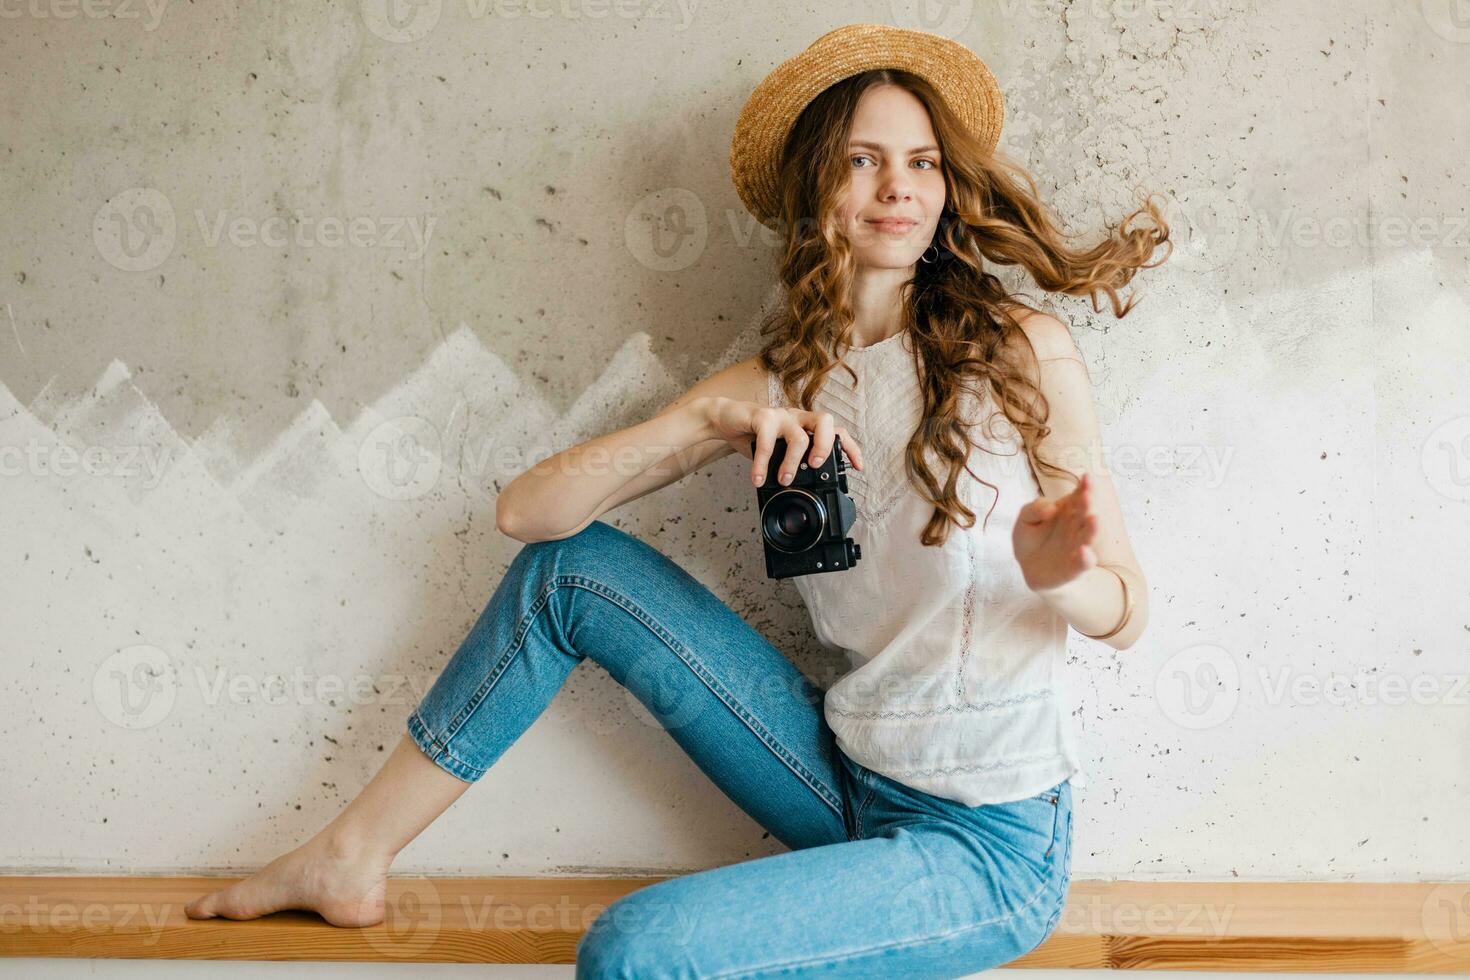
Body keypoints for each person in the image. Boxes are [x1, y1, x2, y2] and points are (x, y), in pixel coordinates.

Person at [185, 22, 1166, 978]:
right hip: (842, 772)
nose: (898, 185)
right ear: (817, 183)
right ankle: (350, 852)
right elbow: (530, 516)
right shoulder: (780, 380)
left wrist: (1060, 580)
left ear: (948, 189)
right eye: (863, 159)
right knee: (575, 573)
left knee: (632, 950)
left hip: (987, 846)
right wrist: (697, 430)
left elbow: (1127, 608)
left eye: (922, 162)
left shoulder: (1019, 351)